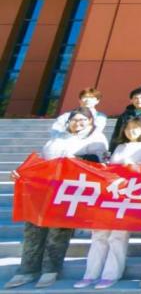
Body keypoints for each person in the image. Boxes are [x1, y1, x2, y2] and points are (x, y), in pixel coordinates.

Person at [5, 108, 108, 290]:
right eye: (74, 120)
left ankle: (50, 269)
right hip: (43, 189)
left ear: (91, 122)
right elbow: (41, 162)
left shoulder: (96, 140)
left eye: (83, 120)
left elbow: (97, 165)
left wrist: (75, 160)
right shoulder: (57, 138)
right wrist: (22, 172)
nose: (78, 123)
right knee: (33, 229)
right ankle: (27, 269)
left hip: (68, 191)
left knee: (58, 232)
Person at [75, 117, 141, 290]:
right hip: (110, 194)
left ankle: (111, 274)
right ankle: (90, 274)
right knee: (99, 234)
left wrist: (133, 166)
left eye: (136, 128)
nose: (131, 131)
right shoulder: (120, 146)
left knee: (118, 236)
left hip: (129, 195)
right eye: (128, 128)